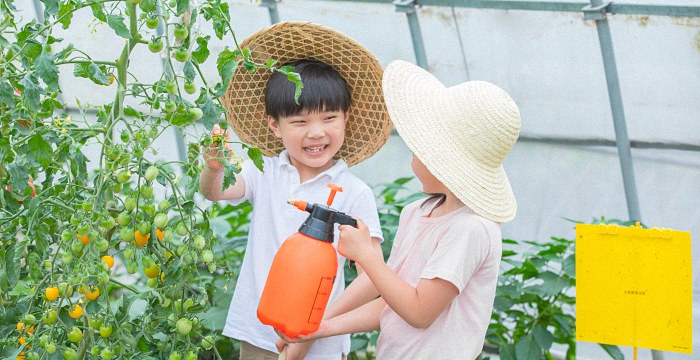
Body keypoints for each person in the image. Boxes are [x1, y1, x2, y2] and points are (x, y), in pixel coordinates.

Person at [275, 60, 522, 360]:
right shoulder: (416, 213)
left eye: (419, 147)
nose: (413, 151)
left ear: (440, 160)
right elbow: (393, 305)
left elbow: (419, 311)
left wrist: (366, 254)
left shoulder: (471, 228)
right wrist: (319, 329)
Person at [199, 22, 393, 360]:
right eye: (300, 122)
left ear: (347, 117)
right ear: (275, 125)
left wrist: (316, 326)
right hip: (258, 335)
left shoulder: (354, 193)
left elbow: (371, 277)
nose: (316, 133)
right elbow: (216, 192)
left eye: (329, 118)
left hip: (321, 344)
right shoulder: (264, 170)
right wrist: (215, 169)